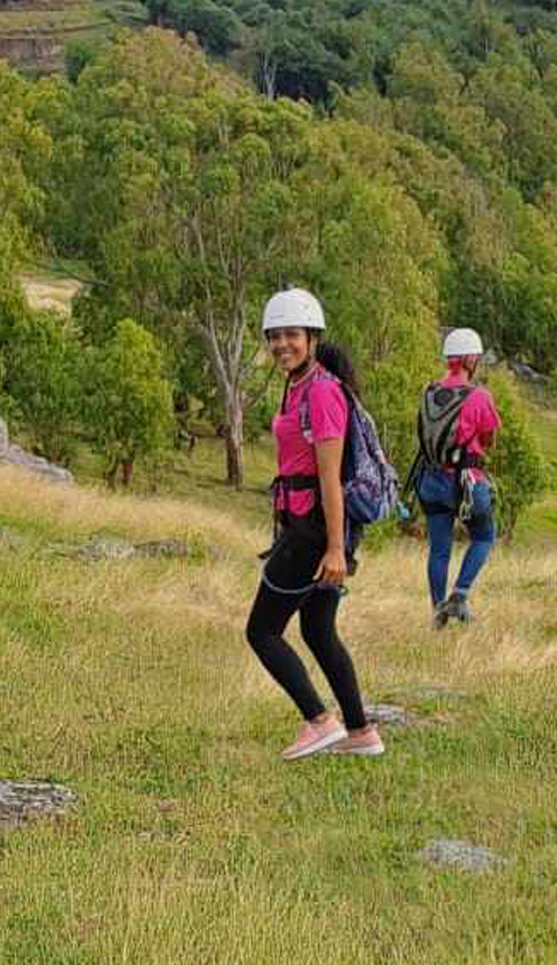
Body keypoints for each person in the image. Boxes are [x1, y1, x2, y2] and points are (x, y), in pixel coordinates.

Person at [246, 288, 383, 760]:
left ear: (312, 336)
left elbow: (330, 479)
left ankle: (319, 721)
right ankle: (362, 733)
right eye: (275, 336)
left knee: (262, 631)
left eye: (292, 335)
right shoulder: (298, 384)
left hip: (315, 530)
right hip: (309, 524)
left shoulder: (323, 391)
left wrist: (334, 549)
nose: (283, 344)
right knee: (318, 631)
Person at [413, 328, 501, 629]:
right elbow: (489, 438)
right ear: (469, 359)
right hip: (467, 482)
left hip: (431, 480)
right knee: (485, 536)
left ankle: (438, 610)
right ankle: (460, 595)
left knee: (439, 549)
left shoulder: (429, 391)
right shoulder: (479, 396)